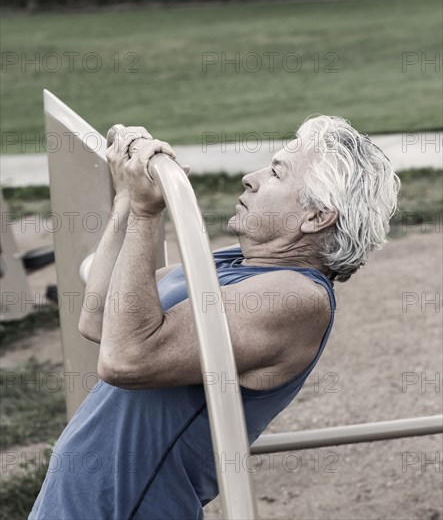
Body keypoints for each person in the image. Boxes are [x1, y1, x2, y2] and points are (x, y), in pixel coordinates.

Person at [29, 115, 400, 519]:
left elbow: (125, 359)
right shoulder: (232, 263)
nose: (250, 178)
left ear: (316, 217)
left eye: (276, 173)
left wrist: (146, 213)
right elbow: (100, 317)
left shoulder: (296, 297)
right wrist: (126, 199)